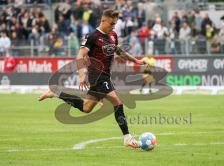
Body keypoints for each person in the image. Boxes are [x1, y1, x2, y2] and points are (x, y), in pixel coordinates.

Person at [38, 9, 147, 148]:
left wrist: (136, 61)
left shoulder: (113, 35)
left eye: (115, 24)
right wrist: (82, 75)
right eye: (111, 23)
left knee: (86, 108)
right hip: (97, 77)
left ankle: (56, 92)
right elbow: (80, 56)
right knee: (117, 102)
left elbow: (120, 52)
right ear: (103, 21)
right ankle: (127, 137)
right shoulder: (92, 36)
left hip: (105, 76)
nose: (113, 26)